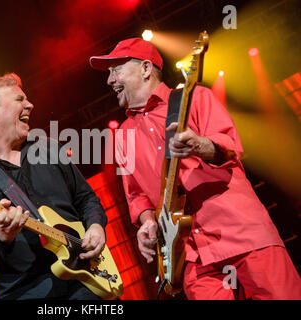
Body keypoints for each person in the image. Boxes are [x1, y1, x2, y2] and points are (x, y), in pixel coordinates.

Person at [89, 38, 301, 299]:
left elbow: (230, 147)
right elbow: (136, 195)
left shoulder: (196, 98)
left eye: (116, 70)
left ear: (145, 69)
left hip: (240, 230)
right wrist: (146, 223)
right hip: (188, 255)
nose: (110, 80)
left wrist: (200, 145)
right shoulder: (122, 135)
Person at [0, 73, 107, 300]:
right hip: (26, 292)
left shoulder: (49, 149)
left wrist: (96, 226)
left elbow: (86, 199)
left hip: (86, 284)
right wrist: (0, 235)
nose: (30, 105)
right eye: (19, 100)